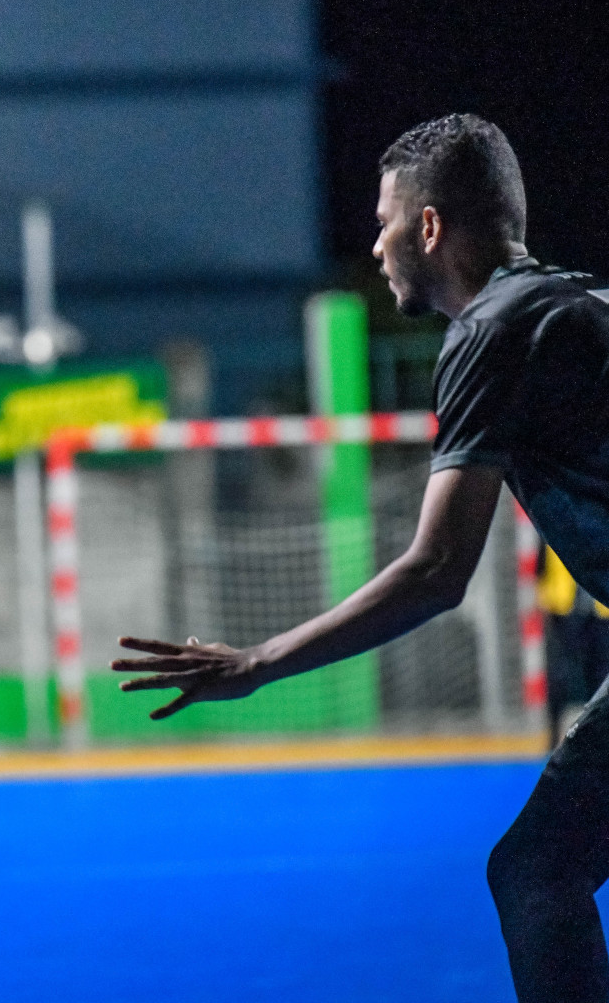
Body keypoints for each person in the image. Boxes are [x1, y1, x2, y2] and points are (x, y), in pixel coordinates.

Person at [113, 113, 609, 1003]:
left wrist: (259, 661)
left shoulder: (491, 330)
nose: (373, 245)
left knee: (538, 872)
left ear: (428, 227)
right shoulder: (574, 299)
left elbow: (437, 571)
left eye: (384, 221)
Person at [538, 545, 609, 745]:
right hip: (564, 608)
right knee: (560, 675)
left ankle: (599, 734)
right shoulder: (558, 516)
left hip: (601, 611)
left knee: (601, 674)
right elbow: (541, 561)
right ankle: (553, 735)